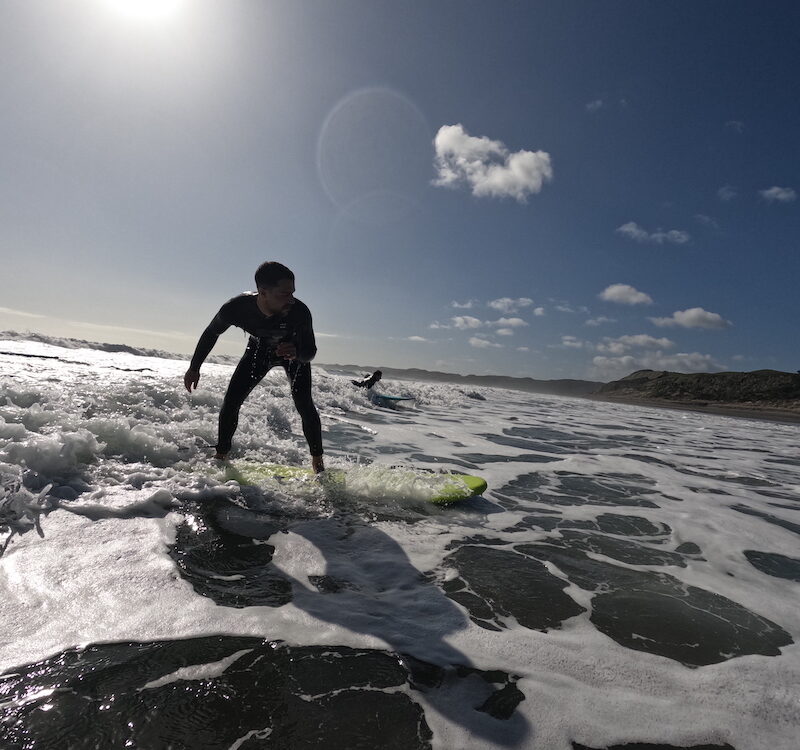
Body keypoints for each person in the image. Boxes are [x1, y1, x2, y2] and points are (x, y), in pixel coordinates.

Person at [183, 262, 324, 473]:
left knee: (304, 404)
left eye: (293, 293)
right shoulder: (237, 308)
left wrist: (297, 351)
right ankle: (221, 456)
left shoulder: (300, 312)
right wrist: (194, 368)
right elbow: (212, 332)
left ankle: (318, 463)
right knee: (231, 402)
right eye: (285, 294)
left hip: (294, 355)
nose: (291, 299)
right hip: (258, 352)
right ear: (263, 292)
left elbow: (311, 351)